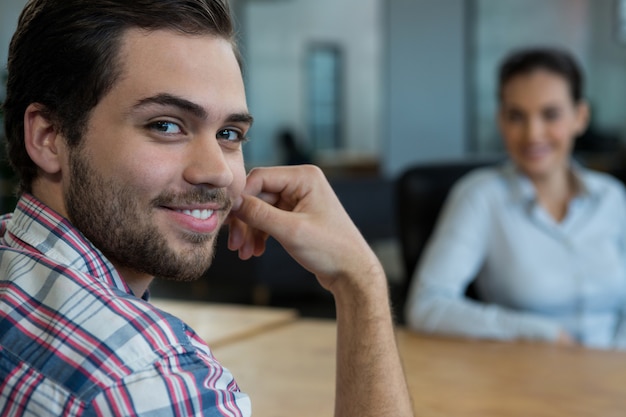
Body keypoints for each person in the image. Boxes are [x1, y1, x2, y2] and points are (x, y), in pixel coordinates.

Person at [0, 1, 413, 415]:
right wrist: (361, 281)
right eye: (165, 125)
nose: (218, 171)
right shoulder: (145, 380)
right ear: (49, 136)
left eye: (229, 133)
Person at [405, 47, 626, 350]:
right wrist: (540, 332)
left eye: (551, 114)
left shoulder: (611, 197)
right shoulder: (480, 198)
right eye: (516, 116)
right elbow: (427, 307)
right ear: (500, 120)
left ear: (580, 116)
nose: (533, 134)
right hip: (526, 378)